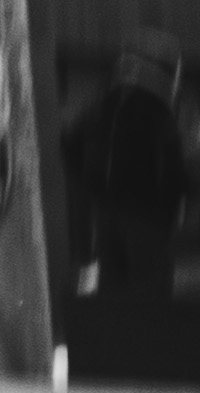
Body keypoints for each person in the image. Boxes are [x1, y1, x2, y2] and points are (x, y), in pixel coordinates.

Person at [63, 46, 188, 294]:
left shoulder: (100, 107)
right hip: (144, 214)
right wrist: (172, 208)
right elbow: (173, 167)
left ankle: (114, 328)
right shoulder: (157, 112)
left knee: (111, 282)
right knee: (148, 287)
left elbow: (70, 146)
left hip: (105, 211)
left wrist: (90, 187)